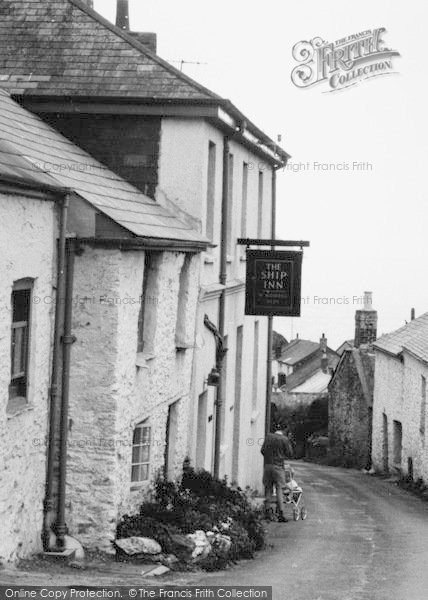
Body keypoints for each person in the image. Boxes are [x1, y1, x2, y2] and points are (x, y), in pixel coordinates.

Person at [261, 425, 293, 522]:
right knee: (279, 489)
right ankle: (281, 514)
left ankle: (267, 512)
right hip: (278, 467)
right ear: (283, 433)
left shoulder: (268, 437)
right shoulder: (284, 439)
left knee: (268, 488)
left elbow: (262, 450)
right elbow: (290, 453)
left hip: (267, 466)